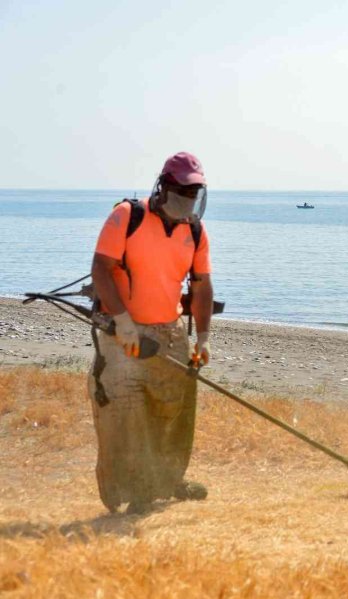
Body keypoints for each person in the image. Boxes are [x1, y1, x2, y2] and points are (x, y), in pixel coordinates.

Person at [88, 151, 214, 514]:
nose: (188, 203)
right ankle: (132, 492)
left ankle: (168, 479)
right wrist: (124, 321)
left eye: (194, 196)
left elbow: (202, 285)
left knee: (173, 407)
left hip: (170, 330)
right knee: (125, 413)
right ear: (164, 187)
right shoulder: (128, 217)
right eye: (183, 195)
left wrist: (203, 337)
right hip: (122, 331)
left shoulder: (194, 229)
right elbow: (101, 268)